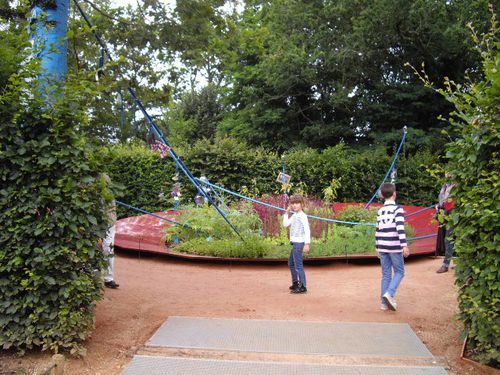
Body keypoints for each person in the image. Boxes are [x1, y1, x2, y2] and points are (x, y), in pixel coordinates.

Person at [375, 183, 409, 311]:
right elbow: (400, 228)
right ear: (394, 194)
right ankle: (389, 293)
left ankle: (384, 303)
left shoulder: (380, 211)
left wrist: (377, 246)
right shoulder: (398, 210)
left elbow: (377, 229)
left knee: (386, 274)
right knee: (400, 272)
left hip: (383, 246)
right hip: (394, 246)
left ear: (383, 196)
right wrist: (404, 245)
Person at [283, 195, 310, 294]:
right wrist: (287, 212)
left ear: (302, 204)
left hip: (299, 243)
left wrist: (307, 243)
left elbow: (307, 230)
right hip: (295, 243)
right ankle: (295, 283)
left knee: (298, 265)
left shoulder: (303, 216)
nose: (294, 205)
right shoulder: (294, 215)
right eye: (293, 203)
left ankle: (303, 286)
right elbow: (285, 224)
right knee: (291, 263)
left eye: (297, 203)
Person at [101, 175, 119, 289]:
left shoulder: (109, 195)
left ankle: (109, 278)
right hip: (97, 226)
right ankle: (94, 277)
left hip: (109, 225)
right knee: (98, 249)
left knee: (109, 249)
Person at [435, 175, 455, 273]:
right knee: (450, 238)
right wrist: (438, 206)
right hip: (446, 212)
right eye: (445, 173)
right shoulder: (445, 186)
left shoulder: (457, 185)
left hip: (455, 213)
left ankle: (445, 265)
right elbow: (442, 200)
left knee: (449, 238)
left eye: (449, 172)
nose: (447, 174)